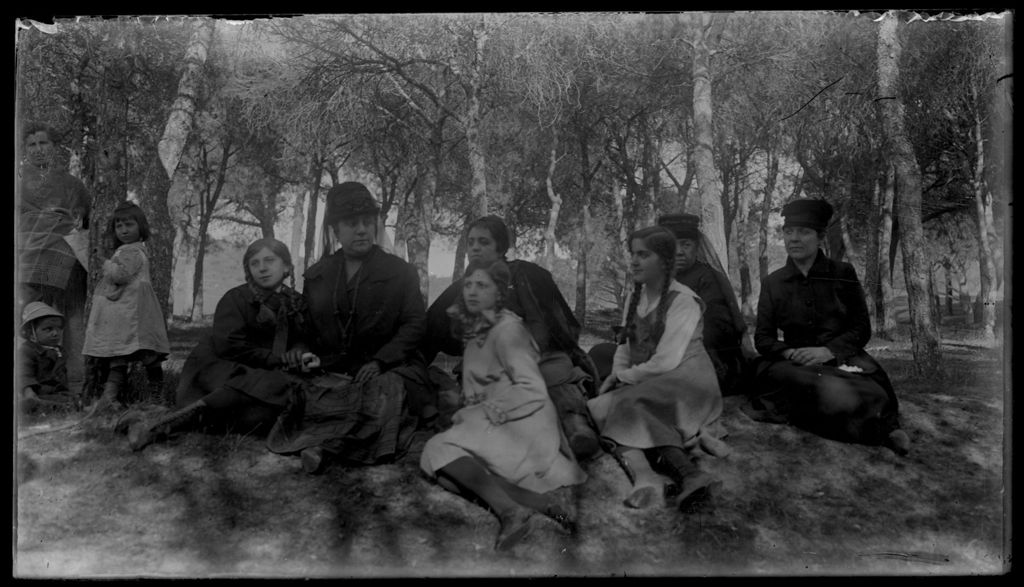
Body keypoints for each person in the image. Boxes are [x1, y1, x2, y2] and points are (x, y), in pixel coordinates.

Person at [420, 259, 586, 551]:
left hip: (523, 424)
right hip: (496, 422)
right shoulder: (479, 328)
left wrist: (482, 412)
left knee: (438, 451)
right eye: (468, 285)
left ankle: (510, 511)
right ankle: (536, 502)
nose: (471, 291)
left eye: (481, 285)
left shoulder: (509, 331)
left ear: (499, 292)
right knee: (448, 474)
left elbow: (532, 389)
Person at [424, 215, 602, 461]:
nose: (475, 247)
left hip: (540, 358)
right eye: (471, 242)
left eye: (483, 242)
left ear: (500, 247)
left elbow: (543, 323)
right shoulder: (464, 287)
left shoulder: (526, 274)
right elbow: (435, 326)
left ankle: (576, 427)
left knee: (555, 385)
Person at [746, 199, 910, 456]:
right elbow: (763, 339)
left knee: (871, 389)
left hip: (842, 356)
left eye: (804, 232)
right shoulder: (773, 283)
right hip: (795, 362)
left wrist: (828, 351)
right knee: (816, 387)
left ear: (820, 237)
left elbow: (861, 329)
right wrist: (789, 353)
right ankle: (875, 432)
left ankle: (884, 422)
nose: (794, 239)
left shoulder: (842, 273)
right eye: (788, 232)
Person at [126, 238, 318, 451]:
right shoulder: (236, 298)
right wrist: (278, 359)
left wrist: (299, 352)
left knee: (277, 400)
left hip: (263, 373)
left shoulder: (296, 302)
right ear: (248, 269)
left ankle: (170, 419)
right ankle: (165, 423)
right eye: (255, 263)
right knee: (262, 389)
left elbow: (303, 337)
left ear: (287, 267)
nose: (262, 268)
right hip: (218, 369)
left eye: (269, 260)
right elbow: (230, 347)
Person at [587, 226, 729, 512]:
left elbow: (667, 361)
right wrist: (617, 374)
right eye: (632, 254)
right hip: (655, 379)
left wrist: (622, 379)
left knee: (626, 404)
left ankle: (688, 475)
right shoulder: (633, 297)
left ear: (664, 261)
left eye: (643, 254)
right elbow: (624, 347)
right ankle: (649, 476)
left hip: (688, 382)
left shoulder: (684, 301)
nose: (634, 261)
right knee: (598, 407)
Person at [294, 181, 431, 472]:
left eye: (368, 223)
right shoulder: (317, 275)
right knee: (301, 392)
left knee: (385, 391)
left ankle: (326, 448)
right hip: (334, 367)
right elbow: (304, 330)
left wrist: (381, 360)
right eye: (352, 223)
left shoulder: (400, 272)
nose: (362, 230)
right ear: (336, 230)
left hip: (390, 365)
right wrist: (306, 352)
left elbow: (415, 323)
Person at [17, 123, 90, 395]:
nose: (38, 150)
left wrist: (63, 221)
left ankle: (75, 387)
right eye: (32, 145)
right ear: (24, 149)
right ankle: (30, 386)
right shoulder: (19, 182)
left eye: (43, 143)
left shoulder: (72, 184)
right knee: (31, 323)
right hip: (28, 261)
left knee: (72, 322)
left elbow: (83, 219)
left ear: (55, 147)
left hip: (66, 258)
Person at [82, 201, 170, 413]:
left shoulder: (131, 251)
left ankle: (157, 398)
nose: (123, 230)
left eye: (129, 224)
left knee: (146, 354)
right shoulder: (125, 250)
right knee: (118, 356)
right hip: (124, 313)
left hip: (134, 312)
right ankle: (109, 398)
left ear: (140, 226)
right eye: (119, 226)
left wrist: (106, 264)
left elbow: (121, 275)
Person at [18, 301, 74, 414]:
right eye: (48, 329)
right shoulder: (27, 351)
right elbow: (24, 375)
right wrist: (28, 392)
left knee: (74, 402)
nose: (55, 333)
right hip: (39, 394)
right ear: (31, 333)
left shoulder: (59, 351)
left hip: (59, 394)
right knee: (32, 405)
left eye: (58, 328)